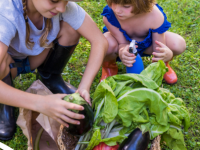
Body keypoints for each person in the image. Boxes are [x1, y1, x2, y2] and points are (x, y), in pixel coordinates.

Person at [0, 0, 108, 140]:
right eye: (54, 0)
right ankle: (5, 103)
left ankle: (50, 78)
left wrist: (84, 87)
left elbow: (100, 41)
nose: (62, 8)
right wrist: (40, 103)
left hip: (34, 57)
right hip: (7, 66)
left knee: (71, 28)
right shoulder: (6, 11)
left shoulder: (62, 7)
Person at [100, 0, 186, 84]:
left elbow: (158, 47)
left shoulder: (154, 15)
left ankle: (164, 66)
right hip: (121, 44)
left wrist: (165, 56)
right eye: (114, 2)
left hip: (149, 45)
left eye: (126, 6)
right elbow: (122, 43)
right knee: (104, 43)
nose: (117, 10)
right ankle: (109, 66)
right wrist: (122, 50)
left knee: (178, 43)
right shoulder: (110, 15)